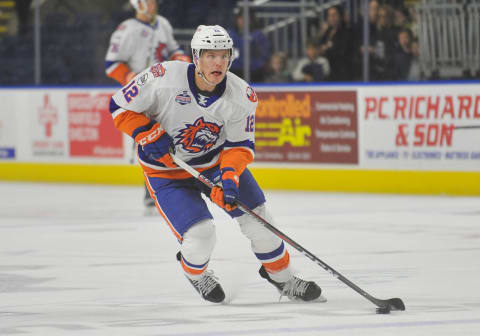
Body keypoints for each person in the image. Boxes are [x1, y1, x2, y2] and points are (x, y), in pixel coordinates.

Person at [108, 25, 325, 303]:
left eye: (224, 55)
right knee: (200, 236)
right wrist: (148, 132)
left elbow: (240, 146)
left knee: (259, 220)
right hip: (166, 172)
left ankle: (282, 278)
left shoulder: (241, 95)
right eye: (210, 55)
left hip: (212, 164)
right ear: (196, 57)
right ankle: (196, 274)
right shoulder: (163, 77)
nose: (218, 63)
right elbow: (119, 107)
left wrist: (229, 179)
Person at [105, 0, 191, 214]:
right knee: (148, 138)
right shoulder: (127, 29)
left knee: (174, 134)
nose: (154, 4)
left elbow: (174, 49)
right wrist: (131, 77)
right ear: (139, 4)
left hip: (166, 90)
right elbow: (112, 64)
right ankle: (152, 188)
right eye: (149, 1)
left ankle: (177, 183)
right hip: (143, 95)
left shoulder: (163, 23)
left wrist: (181, 58)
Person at [227, 7, 271, 83]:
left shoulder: (259, 35)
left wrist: (257, 65)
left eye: (246, 18)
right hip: (235, 71)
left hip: (254, 72)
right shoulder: (230, 35)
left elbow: (264, 55)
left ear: (251, 20)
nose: (243, 21)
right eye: (240, 18)